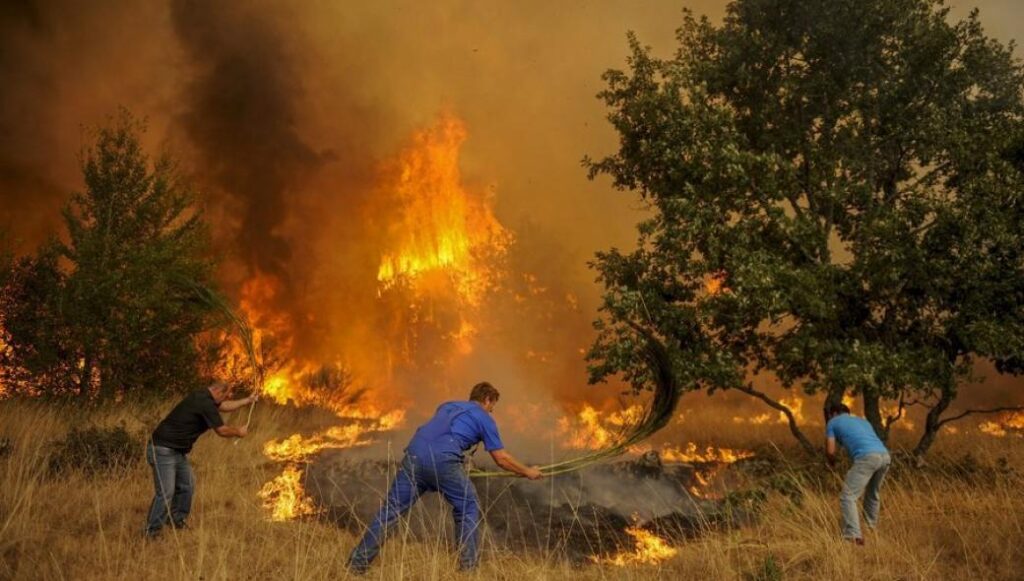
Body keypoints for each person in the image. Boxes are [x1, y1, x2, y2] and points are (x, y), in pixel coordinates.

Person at [347, 381, 543, 573]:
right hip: (443, 460)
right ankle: (468, 570)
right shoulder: (484, 417)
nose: (492, 411)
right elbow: (501, 458)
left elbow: (443, 432)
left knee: (390, 512)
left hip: (413, 454)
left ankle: (356, 566)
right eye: (492, 407)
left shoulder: (447, 405)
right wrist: (528, 472)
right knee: (468, 505)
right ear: (487, 399)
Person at [143, 381, 255, 538]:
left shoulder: (204, 395)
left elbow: (223, 406)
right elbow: (222, 431)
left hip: (176, 451)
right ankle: (151, 532)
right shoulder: (205, 402)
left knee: (187, 484)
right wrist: (239, 432)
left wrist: (247, 401)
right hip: (162, 450)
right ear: (217, 391)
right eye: (225, 395)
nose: (225, 399)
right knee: (166, 492)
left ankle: (176, 521)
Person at [825, 402, 892, 545]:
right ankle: (870, 529)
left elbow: (831, 451)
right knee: (873, 494)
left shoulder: (832, 422)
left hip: (867, 457)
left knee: (847, 496)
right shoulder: (863, 420)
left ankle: (853, 536)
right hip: (885, 456)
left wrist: (831, 463)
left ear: (834, 413)